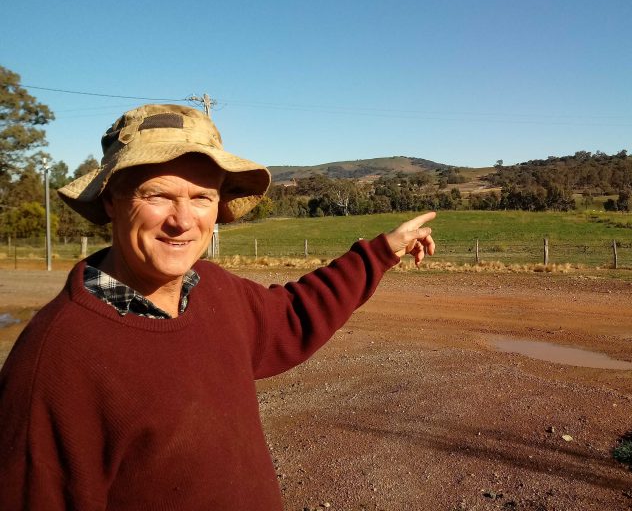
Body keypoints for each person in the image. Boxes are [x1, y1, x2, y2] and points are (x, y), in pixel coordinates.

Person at [0, 104, 435, 510]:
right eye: (157, 196)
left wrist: (380, 253)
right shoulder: (56, 362)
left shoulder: (215, 292)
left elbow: (293, 314)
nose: (182, 220)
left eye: (202, 198)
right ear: (112, 200)